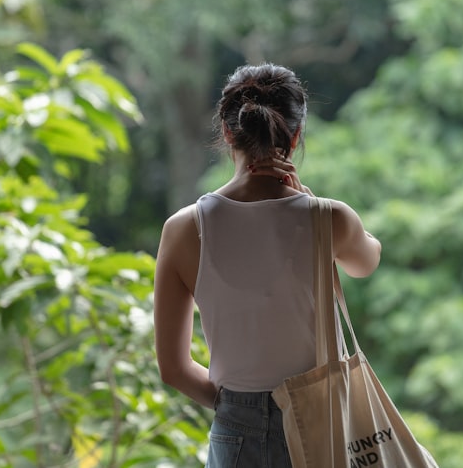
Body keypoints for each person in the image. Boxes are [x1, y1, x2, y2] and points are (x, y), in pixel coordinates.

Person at [153, 62, 383, 466]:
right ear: (295, 137)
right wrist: (312, 206)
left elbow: (173, 368)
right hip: (323, 421)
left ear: (227, 133)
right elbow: (367, 261)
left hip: (236, 432)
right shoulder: (330, 219)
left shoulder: (185, 229)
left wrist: (240, 409)